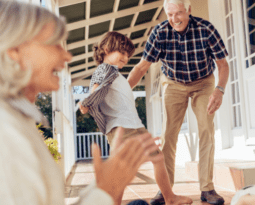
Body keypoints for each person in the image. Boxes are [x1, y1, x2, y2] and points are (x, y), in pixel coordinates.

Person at [0, 1, 161, 205]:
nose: (66, 55)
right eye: (53, 44)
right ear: (14, 52)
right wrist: (105, 189)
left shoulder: (19, 121)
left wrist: (104, 187)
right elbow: (96, 92)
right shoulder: (7, 134)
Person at [127, 0, 229, 204]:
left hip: (203, 82)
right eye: (170, 15)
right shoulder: (160, 32)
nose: (174, 19)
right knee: (168, 135)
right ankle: (166, 191)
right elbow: (141, 67)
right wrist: (122, 92)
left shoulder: (206, 29)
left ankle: (207, 189)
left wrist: (219, 90)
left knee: (206, 130)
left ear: (189, 10)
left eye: (179, 13)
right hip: (173, 83)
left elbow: (223, 65)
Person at [78, 31, 192, 205]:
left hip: (133, 124)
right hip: (120, 127)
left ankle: (169, 197)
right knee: (123, 168)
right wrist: (86, 103)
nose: (125, 57)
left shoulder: (116, 74)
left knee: (157, 158)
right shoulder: (104, 69)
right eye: (122, 53)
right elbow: (96, 89)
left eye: (127, 55)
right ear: (107, 49)